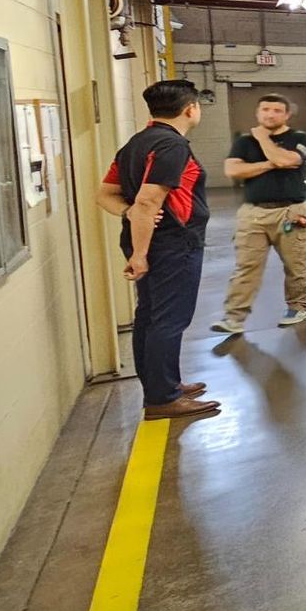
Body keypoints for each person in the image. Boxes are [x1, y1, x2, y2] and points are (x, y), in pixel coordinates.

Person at [96, 79, 217, 420]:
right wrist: (140, 252)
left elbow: (105, 194)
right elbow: (149, 200)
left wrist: (127, 212)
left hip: (152, 240)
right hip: (171, 244)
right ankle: (163, 398)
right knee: (169, 318)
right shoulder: (171, 146)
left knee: (149, 315)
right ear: (190, 109)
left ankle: (162, 383)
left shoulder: (136, 144)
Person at [211, 94, 306, 334]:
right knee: (246, 266)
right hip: (253, 214)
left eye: (277, 110)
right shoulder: (244, 142)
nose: (270, 114)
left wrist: (264, 139)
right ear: (258, 113)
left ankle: (297, 307)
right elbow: (232, 170)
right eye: (265, 109)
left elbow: (288, 160)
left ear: (287, 115)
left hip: (290, 212)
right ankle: (234, 318)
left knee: (296, 264)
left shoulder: (299, 138)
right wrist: (270, 163)